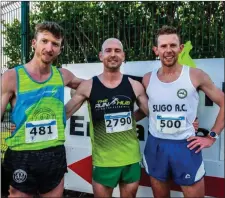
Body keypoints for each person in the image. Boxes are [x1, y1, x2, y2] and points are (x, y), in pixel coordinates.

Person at [1, 21, 83, 197]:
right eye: (44, 41)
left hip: (54, 154)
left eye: (55, 44)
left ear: (60, 49)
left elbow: (89, 88)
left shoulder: (63, 76)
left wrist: (64, 113)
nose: (49, 48)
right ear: (33, 43)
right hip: (21, 155)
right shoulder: (11, 77)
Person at [141, 25, 224, 198]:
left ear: (181, 48)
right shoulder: (148, 79)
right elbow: (146, 109)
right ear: (156, 50)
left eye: (173, 45)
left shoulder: (195, 75)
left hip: (186, 146)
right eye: (163, 46)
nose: (168, 50)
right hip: (156, 146)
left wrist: (211, 137)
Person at [66, 38, 149, 198]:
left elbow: (151, 113)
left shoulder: (134, 85)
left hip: (130, 158)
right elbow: (66, 112)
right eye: (108, 50)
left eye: (117, 51)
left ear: (123, 56)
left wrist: (188, 121)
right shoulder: (89, 86)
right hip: (104, 160)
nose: (113, 54)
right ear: (100, 56)